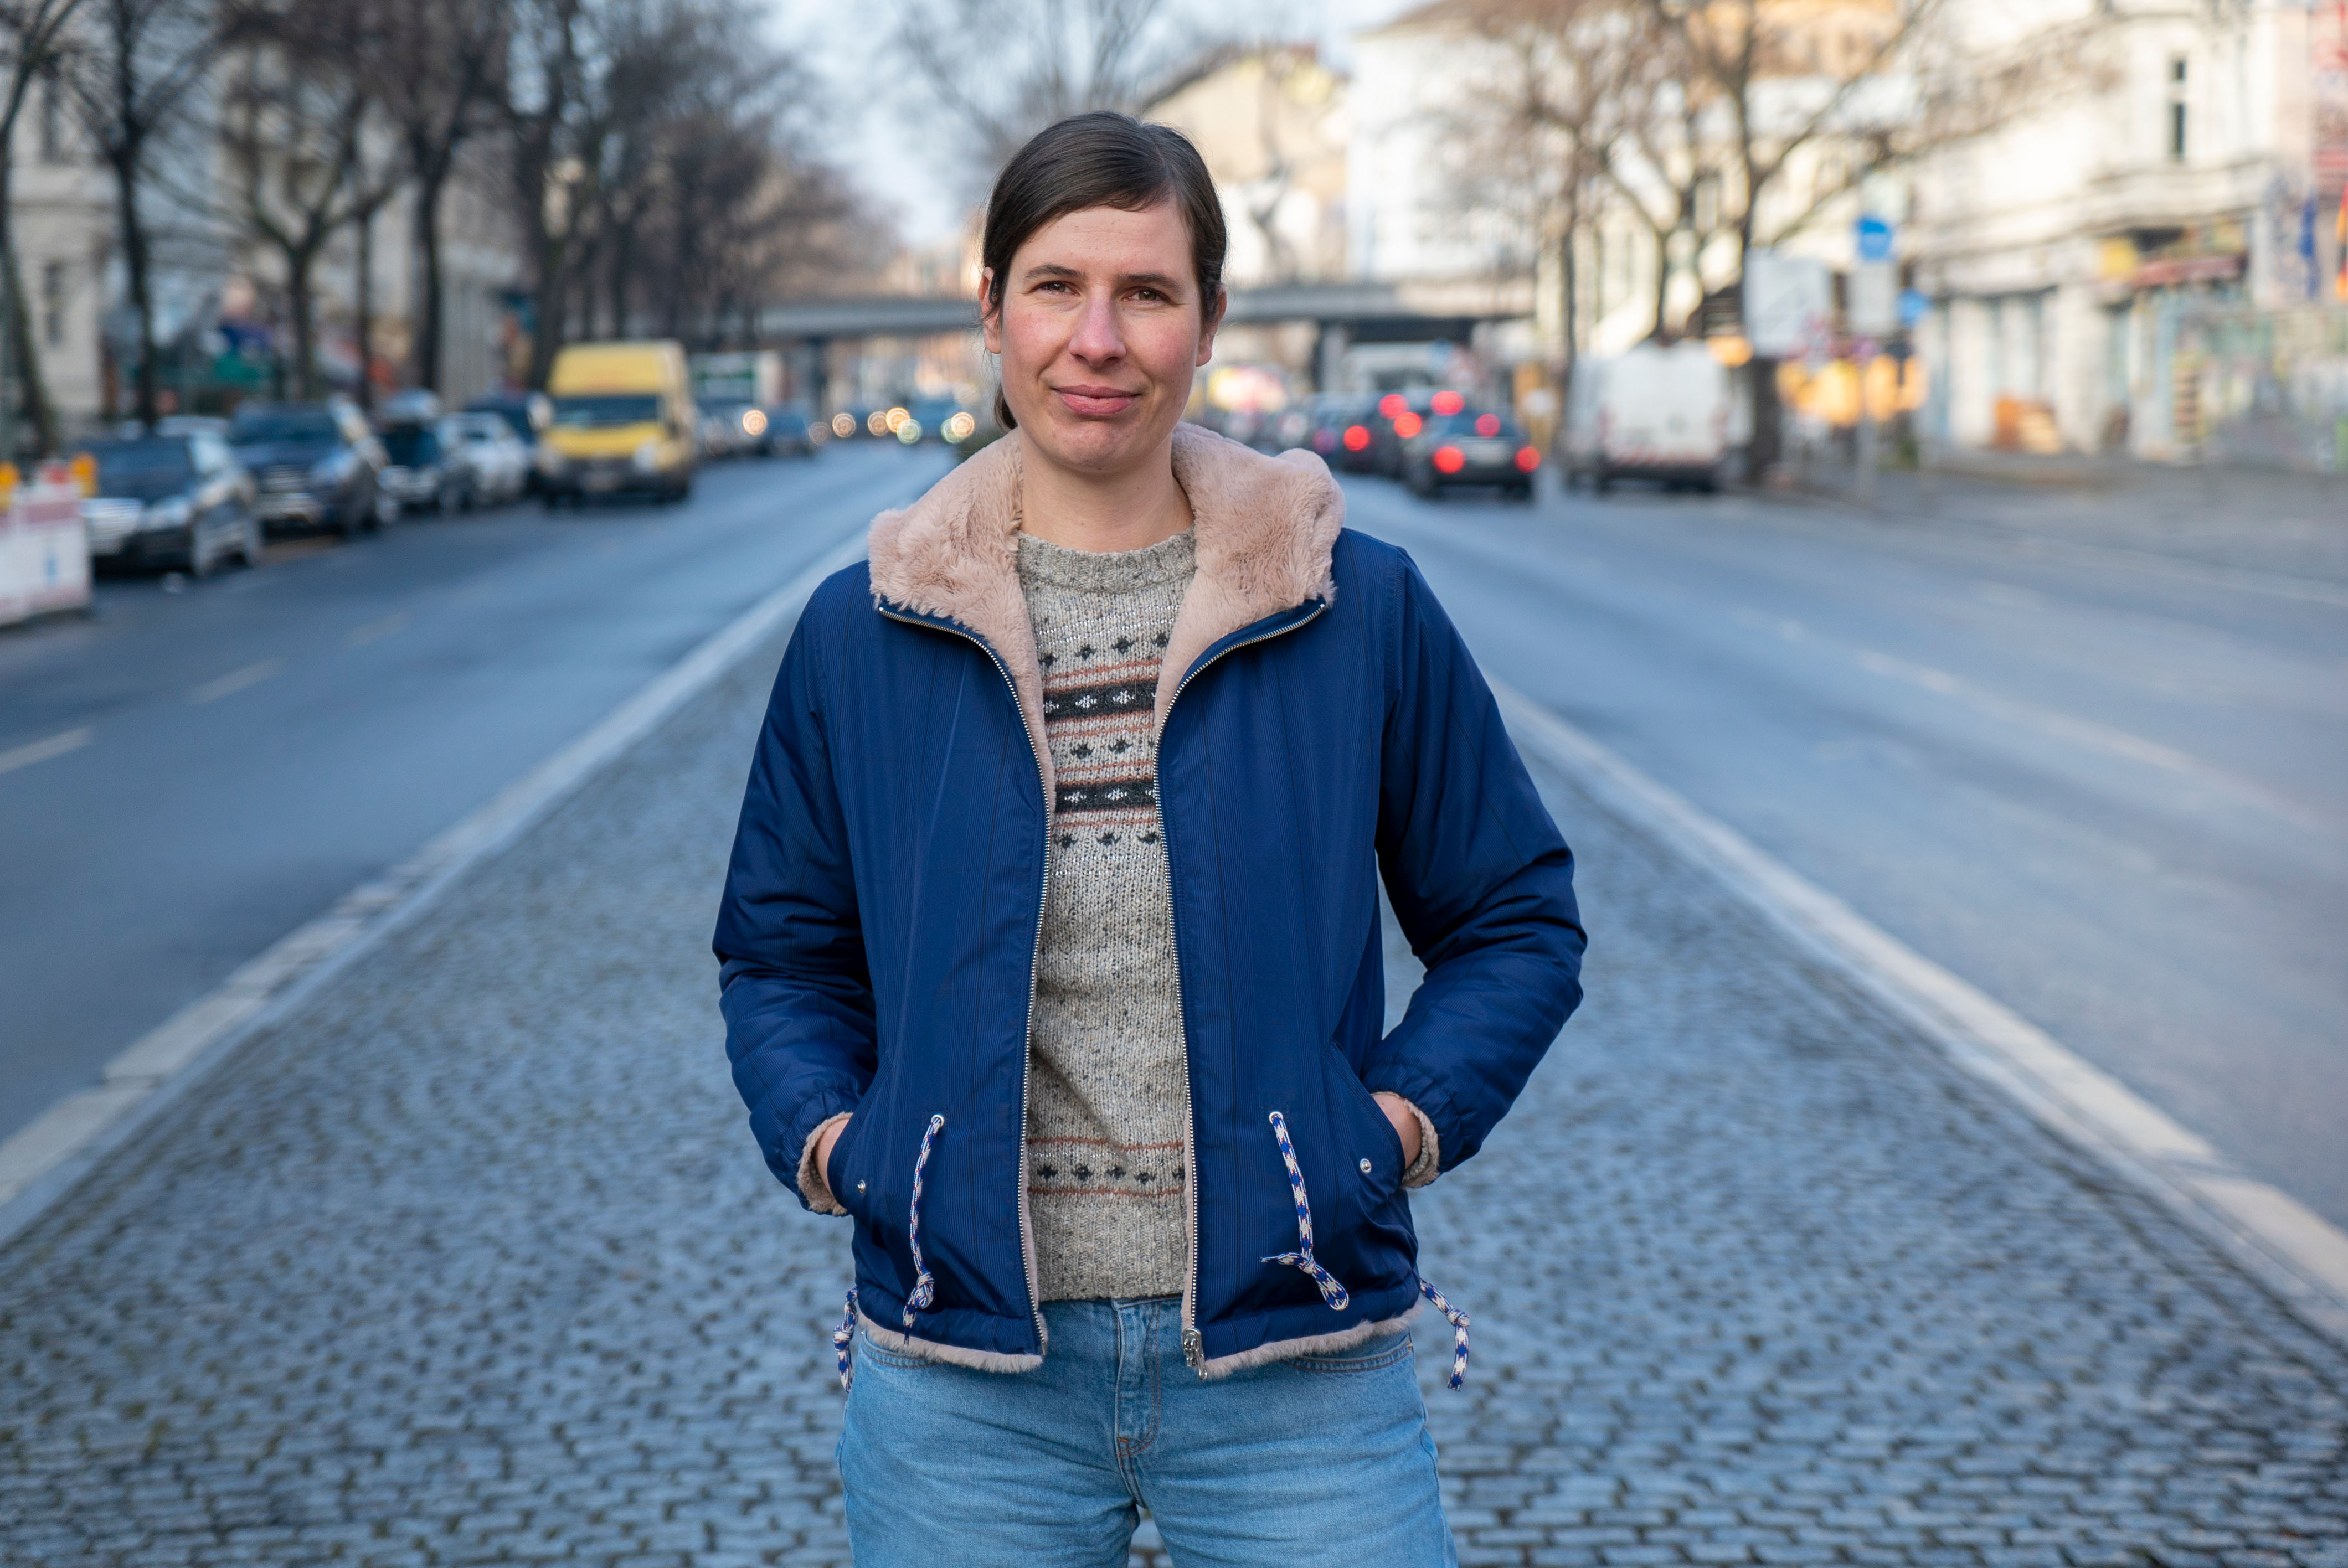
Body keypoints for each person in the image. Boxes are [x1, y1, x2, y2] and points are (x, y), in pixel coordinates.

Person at [714, 111, 1585, 1565]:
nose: (1098, 339)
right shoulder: (862, 631)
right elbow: (780, 955)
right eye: (1056, 286)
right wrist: (840, 1145)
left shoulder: (1354, 606)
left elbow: (1515, 917)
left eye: (1147, 292)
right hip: (963, 1384)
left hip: (1299, 1360)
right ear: (990, 310)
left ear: (1209, 321)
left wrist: (1388, 1132)